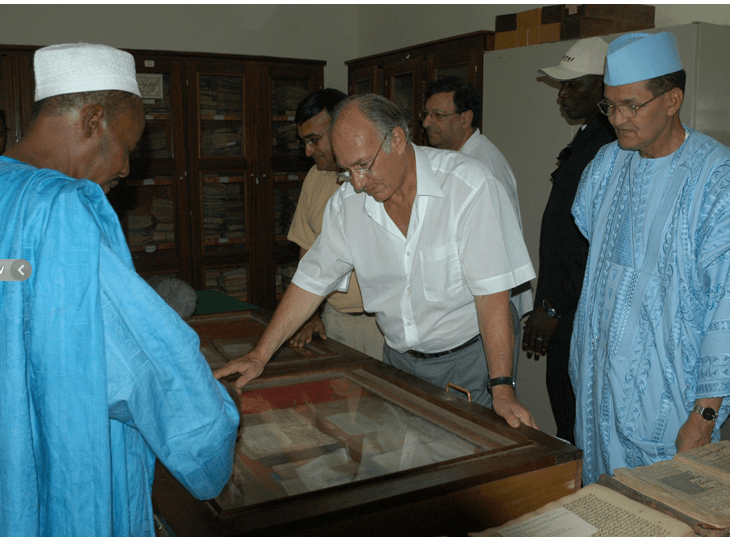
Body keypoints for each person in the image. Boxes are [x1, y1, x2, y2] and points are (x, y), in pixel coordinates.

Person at [0, 43, 239, 536]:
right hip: (68, 464)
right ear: (91, 120)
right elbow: (141, 366)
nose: (128, 169)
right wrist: (215, 427)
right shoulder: (62, 207)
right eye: (127, 147)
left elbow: (20, 283)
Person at [216, 93, 537, 427]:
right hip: (399, 360)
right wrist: (259, 355)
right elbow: (311, 281)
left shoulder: (469, 186)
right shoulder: (347, 203)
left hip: (470, 359)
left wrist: (502, 387)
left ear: (396, 139)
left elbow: (492, 297)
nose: (356, 182)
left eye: (363, 166)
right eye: (346, 171)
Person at [570, 32, 730, 485]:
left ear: (672, 99)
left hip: (670, 402)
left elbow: (727, 307)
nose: (617, 119)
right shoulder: (606, 164)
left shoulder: (717, 180)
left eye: (631, 106)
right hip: (599, 391)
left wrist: (704, 416)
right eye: (609, 105)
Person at [522, 38, 616, 444]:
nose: (562, 94)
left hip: (577, 315)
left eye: (574, 85)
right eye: (562, 85)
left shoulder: (610, 146)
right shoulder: (587, 138)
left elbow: (594, 246)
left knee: (577, 425)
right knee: (566, 420)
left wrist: (554, 306)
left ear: (604, 89)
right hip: (563, 310)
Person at [422, 77, 532, 384]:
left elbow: (495, 256)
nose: (428, 122)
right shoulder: (454, 160)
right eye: (426, 114)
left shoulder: (482, 168)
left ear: (466, 118)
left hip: (487, 315)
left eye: (438, 115)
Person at [287, 88, 385, 360]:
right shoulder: (315, 178)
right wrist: (309, 316)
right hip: (335, 320)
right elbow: (308, 252)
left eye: (314, 140)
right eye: (303, 142)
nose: (308, 151)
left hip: (382, 324)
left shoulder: (379, 178)